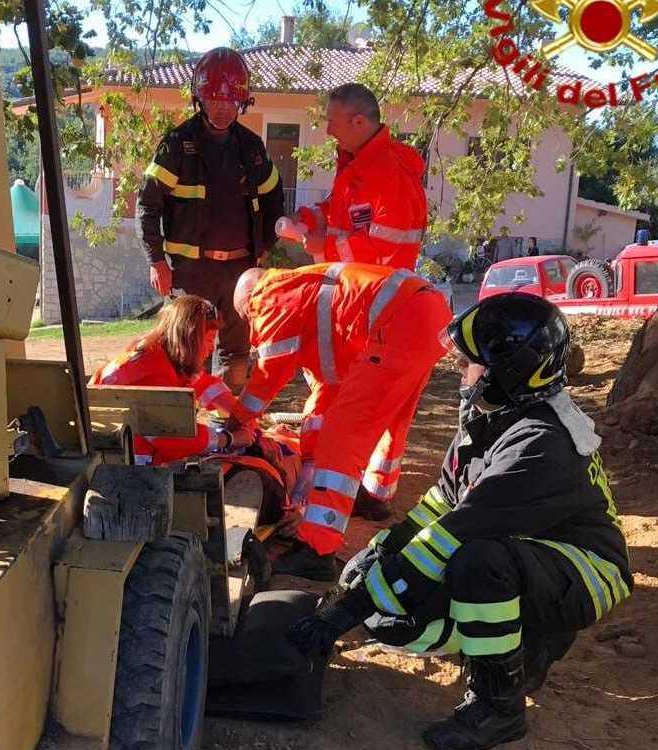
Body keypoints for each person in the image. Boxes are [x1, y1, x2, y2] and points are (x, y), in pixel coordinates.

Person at [286, 292, 632, 750]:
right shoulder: (493, 418)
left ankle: (499, 709)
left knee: (474, 565)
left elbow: (455, 532)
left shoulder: (539, 444)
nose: (460, 373)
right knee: (407, 577)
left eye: (471, 364)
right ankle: (523, 649)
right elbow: (440, 503)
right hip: (536, 551)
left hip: (589, 572)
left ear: (507, 371)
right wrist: (380, 552)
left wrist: (351, 610)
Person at [226, 263, 452, 580]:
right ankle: (375, 498)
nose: (251, 324)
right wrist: (308, 455)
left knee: (340, 438)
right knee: (391, 419)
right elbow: (327, 389)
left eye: (246, 317)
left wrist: (235, 421)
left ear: (249, 299)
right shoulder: (308, 294)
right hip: (426, 314)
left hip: (400, 321)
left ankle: (317, 550)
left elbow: (267, 377)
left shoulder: (270, 295)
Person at [138, 47, 285, 394]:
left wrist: (263, 247)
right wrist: (156, 260)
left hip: (239, 272)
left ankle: (227, 430)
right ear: (199, 99)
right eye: (214, 100)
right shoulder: (176, 144)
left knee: (237, 354)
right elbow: (148, 205)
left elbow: (274, 196)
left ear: (242, 103)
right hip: (191, 272)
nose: (222, 108)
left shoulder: (251, 148)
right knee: (187, 352)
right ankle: (184, 429)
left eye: (230, 101)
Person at [91, 295, 255, 465]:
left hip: (119, 449)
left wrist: (242, 414)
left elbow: (203, 383)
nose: (212, 348)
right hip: (133, 465)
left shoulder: (156, 354)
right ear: (189, 337)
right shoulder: (152, 375)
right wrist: (229, 438)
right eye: (208, 339)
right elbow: (175, 436)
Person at [284, 84, 427, 269]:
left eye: (332, 122)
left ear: (359, 122)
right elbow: (341, 216)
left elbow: (384, 248)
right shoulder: (356, 162)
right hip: (355, 287)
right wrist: (308, 219)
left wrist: (326, 247)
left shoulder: (391, 172)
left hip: (381, 293)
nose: (328, 131)